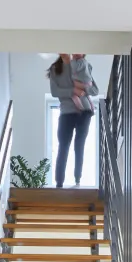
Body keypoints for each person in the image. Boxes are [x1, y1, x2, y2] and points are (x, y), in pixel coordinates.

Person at [47, 54, 98, 187]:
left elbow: (94, 90)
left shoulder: (82, 65)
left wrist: (83, 88)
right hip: (66, 112)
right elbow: (55, 91)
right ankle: (59, 183)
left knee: (79, 145)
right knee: (63, 147)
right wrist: (73, 90)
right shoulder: (55, 69)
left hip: (85, 111)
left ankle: (77, 180)